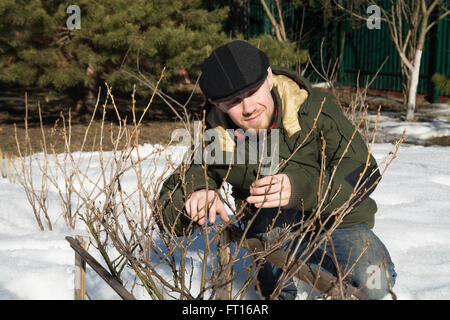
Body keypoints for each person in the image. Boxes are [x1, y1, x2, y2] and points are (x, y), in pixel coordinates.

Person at [157, 40, 396, 300]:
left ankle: (320, 270)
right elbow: (176, 198)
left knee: (376, 283)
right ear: (217, 103)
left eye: (252, 92)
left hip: (334, 219)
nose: (248, 108)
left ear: (269, 78)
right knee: (276, 294)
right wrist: (198, 191)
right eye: (234, 102)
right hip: (272, 226)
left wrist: (302, 189)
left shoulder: (312, 108)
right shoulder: (216, 133)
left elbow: (363, 170)